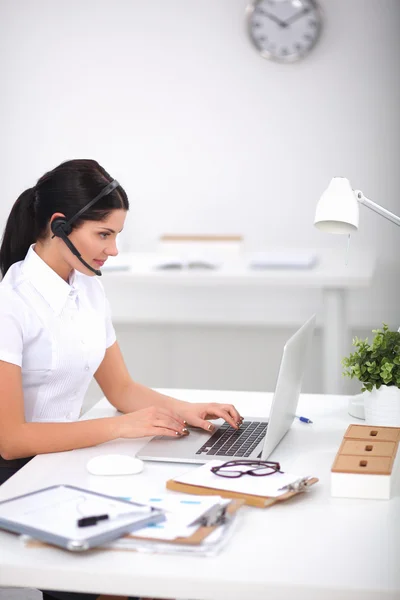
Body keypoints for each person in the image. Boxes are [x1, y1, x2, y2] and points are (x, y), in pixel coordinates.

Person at [0, 159, 242, 600]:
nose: (113, 251)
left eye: (116, 236)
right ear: (59, 226)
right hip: (17, 476)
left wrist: (184, 409)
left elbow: (121, 389)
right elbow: (11, 440)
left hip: (66, 462)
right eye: (104, 234)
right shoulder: (10, 304)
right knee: (117, 577)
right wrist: (120, 426)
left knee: (166, 552)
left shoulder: (88, 286)